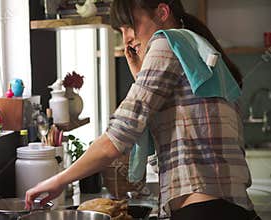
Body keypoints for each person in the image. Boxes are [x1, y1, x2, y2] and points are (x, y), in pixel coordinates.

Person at [25, 0, 260, 219]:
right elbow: (167, 147)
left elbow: (117, 138)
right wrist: (140, 76)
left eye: (130, 26)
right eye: (121, 31)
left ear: (162, 13)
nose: (126, 38)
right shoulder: (195, 51)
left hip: (205, 210)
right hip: (225, 207)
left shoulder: (166, 43)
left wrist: (58, 180)